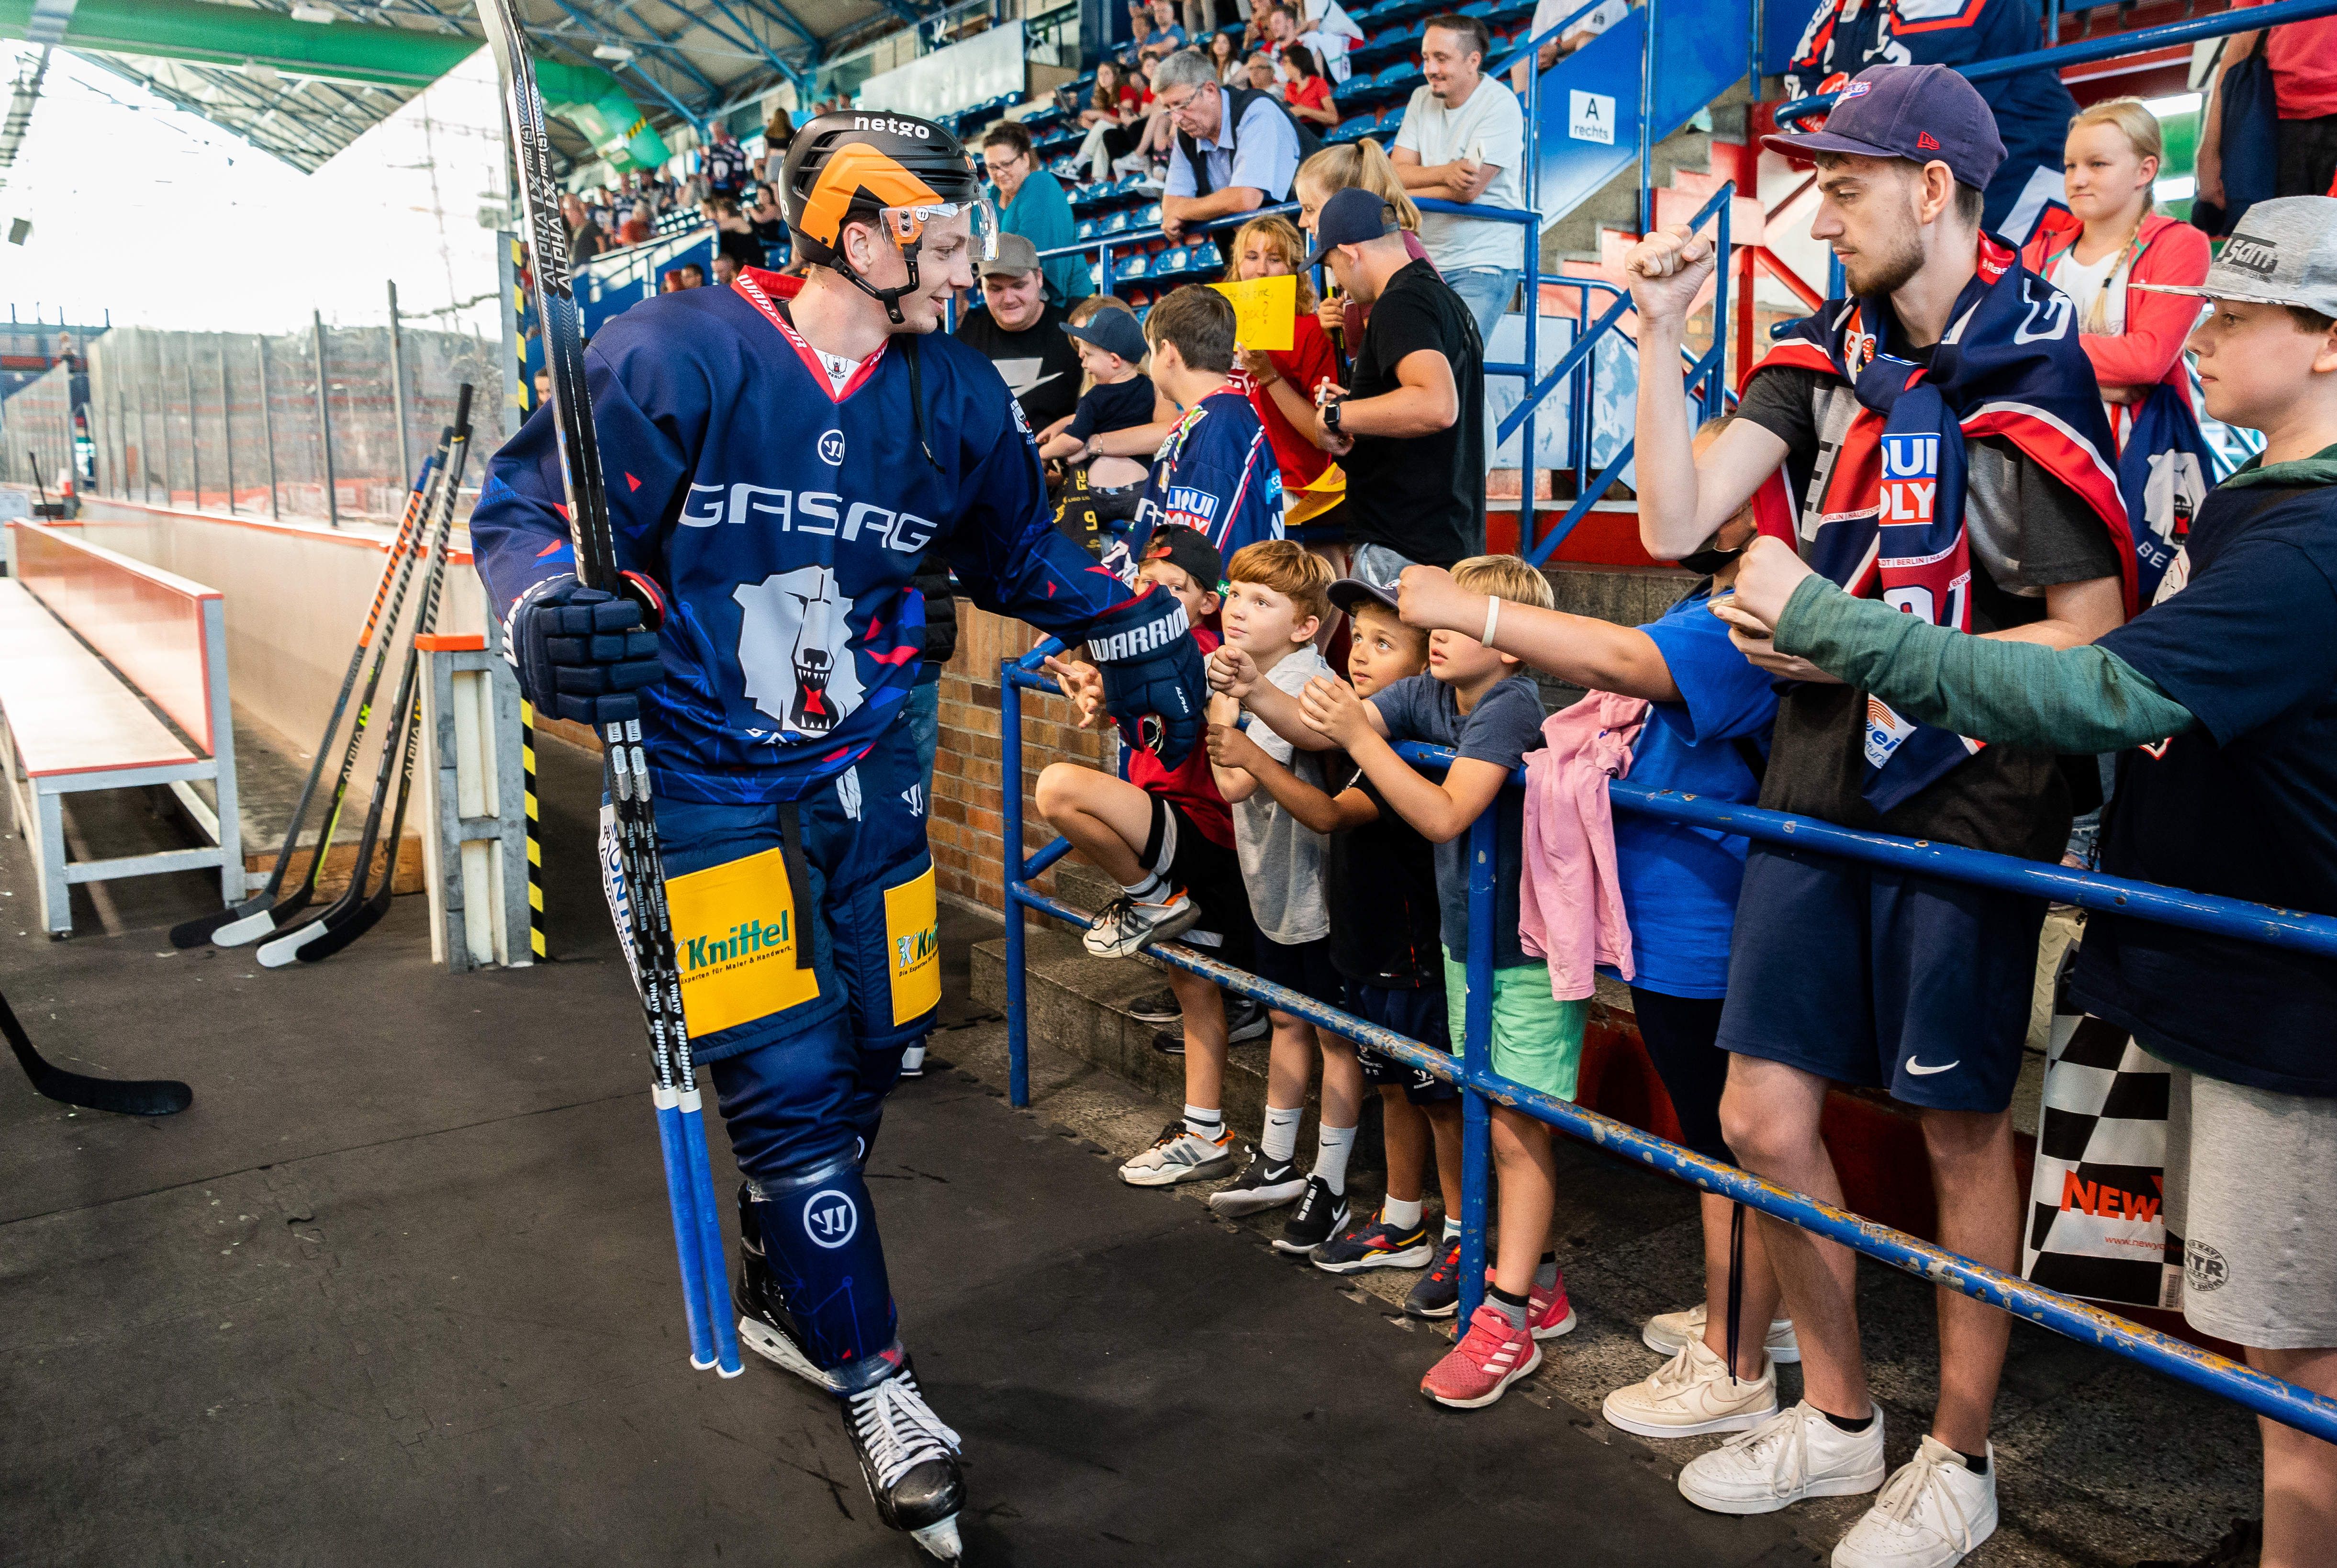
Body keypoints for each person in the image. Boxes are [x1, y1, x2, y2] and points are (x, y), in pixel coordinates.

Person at [468, 110, 1204, 1564]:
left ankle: (782, 1265)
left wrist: (1133, 622)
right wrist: (545, 609)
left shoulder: (950, 394)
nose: (965, 262)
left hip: (865, 769)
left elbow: (1010, 552)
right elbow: (531, 515)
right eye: (936, 236)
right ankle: (880, 1385)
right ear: (856, 233)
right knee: (794, 1090)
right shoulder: (669, 354)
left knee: (877, 1042)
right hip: (703, 786)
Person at [1711, 191, 2337, 1568]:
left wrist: (1833, 622)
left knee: (2293, 1372)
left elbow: (2103, 684)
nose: (2201, 334)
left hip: (2285, 1000)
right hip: (2225, 980)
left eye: (2238, 314)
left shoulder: (2307, 539)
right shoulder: (2258, 507)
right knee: (2274, 1355)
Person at [1624, 63, 2132, 1564]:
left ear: (1932, 186)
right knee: (1757, 1113)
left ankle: (1957, 1458)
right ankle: (1839, 1418)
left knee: (1957, 1131)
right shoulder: (1822, 347)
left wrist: (1858, 638)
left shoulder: (2036, 370)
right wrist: (1657, 339)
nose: (1818, 205)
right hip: (1818, 771)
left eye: (1846, 181)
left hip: (1969, 789)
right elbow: (1668, 522)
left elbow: (2089, 641)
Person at [1390, 422, 1798, 1438]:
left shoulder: (1751, 609)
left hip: (1706, 917)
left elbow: (1618, 658)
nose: (1678, 487)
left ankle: (1735, 1360)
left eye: (1711, 471)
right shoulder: (1710, 599)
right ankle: (1746, 1316)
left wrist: (1473, 605)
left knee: (1725, 1142)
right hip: (1669, 916)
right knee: (1717, 1137)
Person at [1275, 554, 1580, 1409]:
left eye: (1457, 620)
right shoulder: (1433, 695)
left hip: (1520, 950)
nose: (1433, 634)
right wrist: (1255, 690)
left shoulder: (1509, 705)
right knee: (1490, 1113)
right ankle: (1537, 1280)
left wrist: (1361, 737)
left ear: (1510, 645)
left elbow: (1447, 813)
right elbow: (1319, 730)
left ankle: (1508, 1318)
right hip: (1463, 939)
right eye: (1434, 619)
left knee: (1518, 1128)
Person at [1208, 577, 1465, 1312]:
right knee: (1391, 1085)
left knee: (1438, 1099)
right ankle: (1400, 1216)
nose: (1358, 657)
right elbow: (1307, 731)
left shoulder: (1404, 743)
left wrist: (1252, 759)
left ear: (1426, 664)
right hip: (1363, 935)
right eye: (1357, 640)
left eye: (1384, 645)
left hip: (1411, 945)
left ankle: (1457, 1233)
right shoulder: (1368, 726)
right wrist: (1253, 688)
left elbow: (1326, 814)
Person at [1036, 529, 1260, 1181]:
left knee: (1058, 787)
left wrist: (1103, 685)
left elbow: (1176, 680)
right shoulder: (1143, 655)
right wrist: (1091, 689)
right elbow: (1128, 700)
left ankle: (1152, 897)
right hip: (1171, 829)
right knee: (1191, 983)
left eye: (1172, 590)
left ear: (1205, 604)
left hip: (1205, 836)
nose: (1152, 598)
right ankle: (1204, 1134)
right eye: (1143, 585)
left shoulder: (1209, 656)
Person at [1186, 543, 1362, 1251]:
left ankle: (1331, 1180)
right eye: (1237, 594)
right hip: (1273, 886)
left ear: (1303, 626)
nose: (1239, 609)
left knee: (1332, 1034)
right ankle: (1277, 1158)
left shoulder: (1299, 680)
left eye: (1263, 602)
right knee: (1287, 1019)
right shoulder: (1252, 673)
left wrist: (1226, 693)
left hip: (1315, 892)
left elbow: (1231, 780)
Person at [2020, 98, 2214, 602]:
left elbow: (2147, 361)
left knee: (2130, 597)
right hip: (2042, 446)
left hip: (2134, 454)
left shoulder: (2179, 244)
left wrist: (2039, 359)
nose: (2076, 178)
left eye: (2096, 164)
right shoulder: (2037, 251)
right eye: (2069, 166)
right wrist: (2105, 368)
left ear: (2145, 170)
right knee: (2046, 593)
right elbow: (1997, 350)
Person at [1782, 0, 2078, 244]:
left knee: (2003, 299)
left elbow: (1912, 96)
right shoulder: (1841, 5)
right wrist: (1853, 109)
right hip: (1944, 179)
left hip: (2022, 169)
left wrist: (1846, 101)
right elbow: (1798, 87)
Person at [1304, 185, 1485, 582]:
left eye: (1332, 264)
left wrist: (1336, 414)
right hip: (1439, 535)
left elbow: (1436, 406)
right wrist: (1360, 406)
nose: (1337, 279)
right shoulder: (1441, 298)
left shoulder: (1399, 303)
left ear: (1350, 251)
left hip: (1404, 544)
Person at [1123, 284, 1286, 571]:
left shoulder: (1217, 427)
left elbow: (1198, 566)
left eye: (1150, 352)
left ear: (1167, 352)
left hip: (1196, 610)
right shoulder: (1218, 416)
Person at [1393, 14, 1527, 339]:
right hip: (1425, 257)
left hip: (1483, 260)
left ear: (1473, 61)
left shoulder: (1500, 104)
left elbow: (1468, 191)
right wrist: (1447, 172)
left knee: (1455, 360)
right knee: (1417, 364)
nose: (1430, 69)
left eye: (1441, 58)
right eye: (1426, 58)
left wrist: (1411, 188)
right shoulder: (1421, 98)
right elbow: (1394, 173)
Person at [1155, 48, 1314, 258]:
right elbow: (1169, 209)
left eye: (1181, 105)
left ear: (1211, 90)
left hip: (1308, 255)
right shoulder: (1188, 137)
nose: (1176, 119)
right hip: (1251, 266)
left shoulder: (1257, 110)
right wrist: (1183, 209)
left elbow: (1246, 199)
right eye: (1169, 109)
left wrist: (1184, 210)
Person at [1226, 214, 1340, 499]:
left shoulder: (1312, 331)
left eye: (1274, 260)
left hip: (1289, 485)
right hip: (1232, 477)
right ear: (1237, 267)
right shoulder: (1219, 331)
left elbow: (1325, 435)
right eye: (1251, 257)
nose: (1261, 270)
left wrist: (1270, 377)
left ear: (1293, 269)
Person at [2197, 0, 2337, 219]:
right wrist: (2210, 148)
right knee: (2282, 245)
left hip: (2288, 124)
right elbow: (2243, 39)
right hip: (2279, 125)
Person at [953, 234, 1083, 432]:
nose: (1008, 299)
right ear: (982, 289)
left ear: (1039, 278)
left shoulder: (1074, 336)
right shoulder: (965, 344)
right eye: (996, 289)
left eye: (1019, 286)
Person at [1037, 306, 1158, 476]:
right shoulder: (1149, 387)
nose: (1083, 362)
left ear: (1115, 360)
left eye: (1088, 355)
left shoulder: (1094, 398)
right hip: (1143, 480)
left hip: (1103, 489)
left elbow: (1073, 441)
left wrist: (1043, 453)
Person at [981, 121, 1088, 309]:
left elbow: (1032, 250)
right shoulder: (994, 194)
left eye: (1006, 164)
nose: (999, 173)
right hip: (1017, 296)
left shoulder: (1040, 183)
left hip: (1067, 302)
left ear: (1025, 159)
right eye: (992, 167)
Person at [1511, 0, 1627, 91]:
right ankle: (1526, 118)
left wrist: (1556, 50)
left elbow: (1590, 33)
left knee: (1586, 44)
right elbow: (1537, 40)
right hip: (1558, 62)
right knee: (1520, 63)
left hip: (1610, 67)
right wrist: (1542, 55)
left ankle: (1585, 100)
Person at [1279, 43, 1338, 128]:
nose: (1283, 67)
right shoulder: (1289, 87)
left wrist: (1304, 111)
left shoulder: (1318, 83)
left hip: (1314, 128)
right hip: (1296, 128)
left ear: (1297, 63)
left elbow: (1333, 118)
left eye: (1286, 62)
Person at [703, 196, 763, 274]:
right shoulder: (729, 230)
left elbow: (714, 229)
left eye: (718, 213)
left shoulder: (738, 221)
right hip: (743, 264)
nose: (717, 216)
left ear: (725, 211)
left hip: (753, 262)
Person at [702, 119, 749, 201]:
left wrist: (738, 182)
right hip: (717, 187)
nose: (715, 133)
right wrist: (710, 178)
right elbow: (710, 164)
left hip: (732, 185)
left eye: (717, 130)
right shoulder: (713, 147)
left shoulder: (733, 143)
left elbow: (739, 162)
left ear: (722, 129)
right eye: (714, 131)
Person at [562, 192, 607, 264]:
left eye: (570, 217)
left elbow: (601, 242)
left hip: (590, 266)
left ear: (577, 214)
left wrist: (602, 261)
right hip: (579, 266)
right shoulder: (576, 230)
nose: (569, 220)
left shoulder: (590, 225)